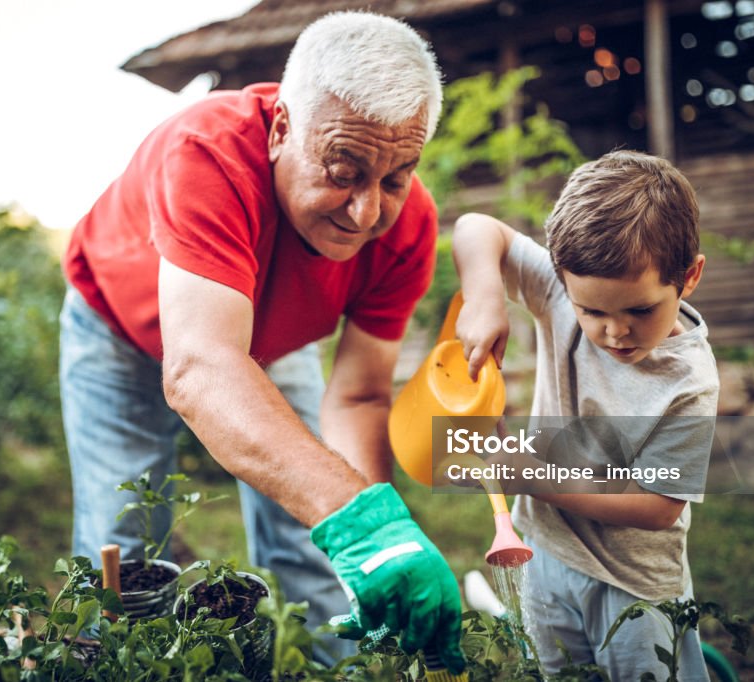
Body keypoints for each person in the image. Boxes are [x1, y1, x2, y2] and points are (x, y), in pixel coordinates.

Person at [59, 11, 464, 671]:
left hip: (268, 342)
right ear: (281, 129)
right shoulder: (208, 151)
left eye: (394, 178)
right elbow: (202, 369)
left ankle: (344, 667)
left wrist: (382, 536)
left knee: (318, 541)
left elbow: (360, 396)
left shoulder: (408, 226)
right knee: (124, 546)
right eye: (343, 169)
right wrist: (359, 520)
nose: (366, 213)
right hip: (119, 331)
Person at [452, 150, 718, 680]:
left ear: (688, 277)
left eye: (639, 310)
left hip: (634, 586)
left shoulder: (688, 382)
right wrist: (484, 297)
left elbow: (659, 506)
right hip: (545, 553)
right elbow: (475, 227)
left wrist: (530, 476)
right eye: (591, 311)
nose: (614, 332)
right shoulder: (557, 289)